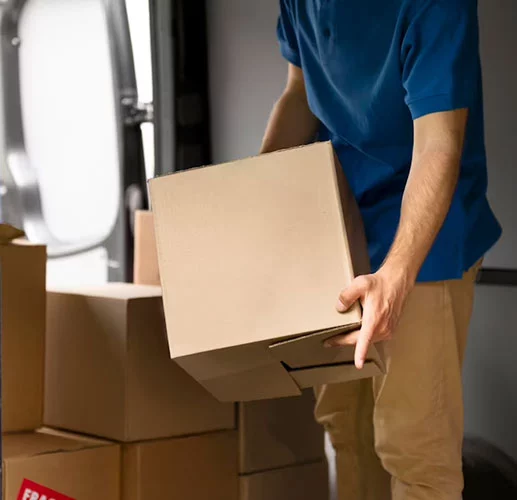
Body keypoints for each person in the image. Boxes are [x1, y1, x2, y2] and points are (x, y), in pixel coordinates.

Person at [260, 1, 502, 499]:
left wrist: (396, 273)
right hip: (341, 220)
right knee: (346, 429)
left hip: (427, 234)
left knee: (414, 449)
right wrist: (253, 189)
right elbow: (299, 92)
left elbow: (439, 145)